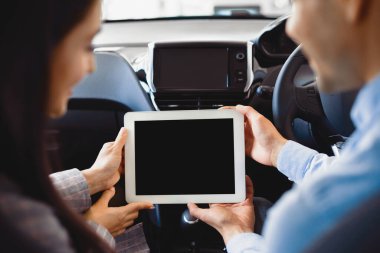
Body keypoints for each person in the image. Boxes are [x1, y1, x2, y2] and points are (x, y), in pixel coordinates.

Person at [188, 0, 380, 252]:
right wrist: (278, 151)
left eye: (299, 4)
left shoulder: (310, 224)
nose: (292, 29)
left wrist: (237, 234)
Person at [0, 0, 152, 252]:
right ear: (33, 49)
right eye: (85, 45)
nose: (91, 67)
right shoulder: (23, 225)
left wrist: (93, 177)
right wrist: (95, 229)